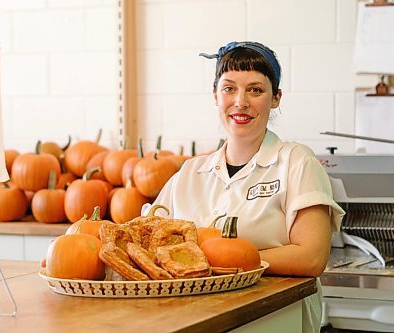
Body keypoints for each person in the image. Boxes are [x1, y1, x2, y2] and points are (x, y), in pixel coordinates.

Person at [146, 41, 345, 333]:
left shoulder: (295, 161)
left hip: (274, 319)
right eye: (229, 88)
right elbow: (150, 243)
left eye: (255, 90)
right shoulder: (189, 173)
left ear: (275, 98)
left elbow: (312, 257)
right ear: (215, 96)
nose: (241, 101)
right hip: (196, 318)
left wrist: (218, 262)